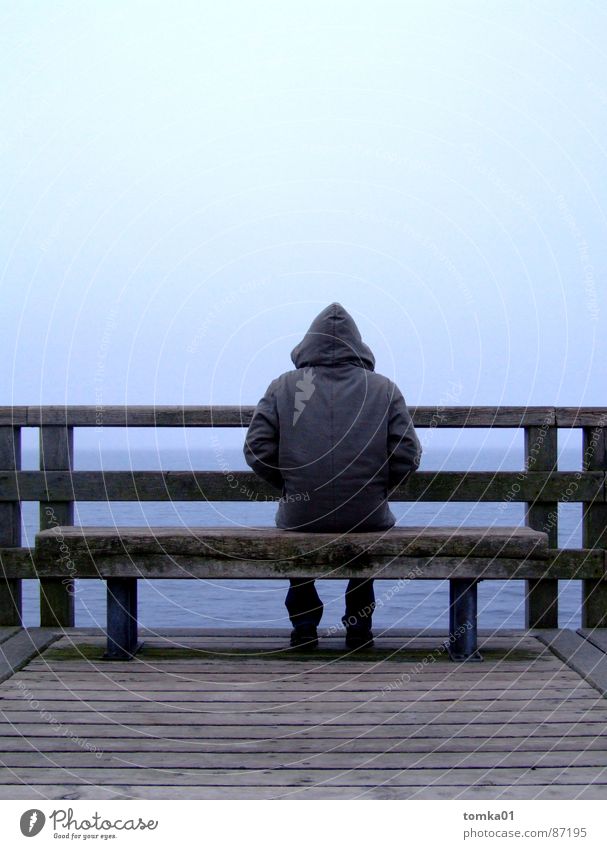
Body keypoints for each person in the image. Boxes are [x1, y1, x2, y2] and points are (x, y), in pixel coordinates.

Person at [243, 302, 422, 650]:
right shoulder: (384, 389)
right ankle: (359, 628)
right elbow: (407, 454)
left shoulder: (283, 387)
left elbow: (256, 448)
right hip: (367, 513)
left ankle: (305, 627)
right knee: (365, 538)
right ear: (359, 345)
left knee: (298, 534)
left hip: (301, 512)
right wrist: (378, 489)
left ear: (308, 343)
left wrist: (289, 486)